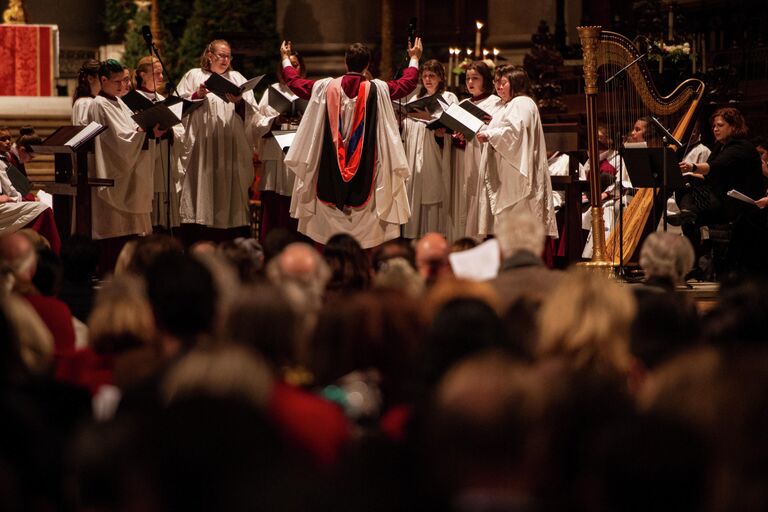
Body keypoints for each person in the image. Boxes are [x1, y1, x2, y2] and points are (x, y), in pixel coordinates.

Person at [280, 39, 422, 248]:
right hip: (366, 164)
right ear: (367, 66)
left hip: (330, 163)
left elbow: (296, 84)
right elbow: (406, 84)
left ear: (346, 63)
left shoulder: (325, 87)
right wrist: (415, 58)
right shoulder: (378, 89)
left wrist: (285, 58)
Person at [176, 39, 277, 238]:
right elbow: (177, 109)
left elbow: (252, 114)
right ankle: (198, 231)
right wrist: (197, 94)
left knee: (228, 192)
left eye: (228, 56)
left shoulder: (236, 77)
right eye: (221, 55)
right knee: (202, 187)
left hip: (230, 145)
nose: (225, 59)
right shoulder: (194, 75)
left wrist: (239, 103)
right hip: (202, 147)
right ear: (209, 56)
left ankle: (228, 233)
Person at [672, 108, 765, 275]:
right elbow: (708, 176)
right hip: (722, 201)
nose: (715, 129)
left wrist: (692, 167)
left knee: (693, 213)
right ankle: (688, 217)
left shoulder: (741, 147)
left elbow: (716, 167)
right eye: (714, 125)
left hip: (742, 204)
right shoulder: (719, 147)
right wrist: (685, 175)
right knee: (684, 187)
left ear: (734, 126)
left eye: (720, 125)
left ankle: (689, 215)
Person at [88, 59, 161, 269]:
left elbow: (132, 130)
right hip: (115, 173)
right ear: (103, 80)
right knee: (115, 229)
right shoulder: (99, 104)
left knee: (134, 230)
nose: (123, 86)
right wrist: (147, 132)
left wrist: (149, 127)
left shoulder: (119, 101)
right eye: (117, 81)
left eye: (126, 80)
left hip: (132, 172)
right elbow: (118, 140)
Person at [474, 65, 557, 239]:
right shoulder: (507, 105)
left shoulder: (522, 102)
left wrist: (489, 134)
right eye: (497, 82)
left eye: (504, 82)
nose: (499, 86)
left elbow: (517, 131)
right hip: (506, 175)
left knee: (518, 229)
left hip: (516, 176)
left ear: (516, 83)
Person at [401, 59, 458, 239]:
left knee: (436, 194)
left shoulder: (449, 98)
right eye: (424, 76)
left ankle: (437, 238)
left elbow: (454, 124)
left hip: (436, 153)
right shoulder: (415, 99)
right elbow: (407, 127)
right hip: (415, 154)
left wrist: (433, 120)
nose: (427, 79)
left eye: (432, 76)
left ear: (440, 77)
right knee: (417, 193)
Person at [257, 50, 306, 241]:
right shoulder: (272, 91)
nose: (292, 68)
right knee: (275, 204)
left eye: (296, 65)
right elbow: (257, 124)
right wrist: (275, 121)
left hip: (299, 153)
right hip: (276, 151)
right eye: (288, 64)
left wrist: (304, 118)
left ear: (301, 68)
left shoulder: (307, 89)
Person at [451, 61, 502, 240]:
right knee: (470, 197)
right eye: (467, 78)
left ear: (485, 80)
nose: (470, 82)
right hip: (468, 158)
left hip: (486, 156)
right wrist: (458, 135)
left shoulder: (496, 102)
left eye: (475, 78)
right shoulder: (464, 103)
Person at [133, 55, 182, 230]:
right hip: (146, 158)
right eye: (156, 73)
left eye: (162, 73)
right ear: (142, 75)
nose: (161, 77)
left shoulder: (163, 100)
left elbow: (181, 130)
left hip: (164, 156)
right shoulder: (132, 99)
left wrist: (169, 129)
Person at [71, 59, 100, 125]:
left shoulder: (87, 101)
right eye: (101, 79)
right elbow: (85, 131)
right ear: (90, 79)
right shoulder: (85, 103)